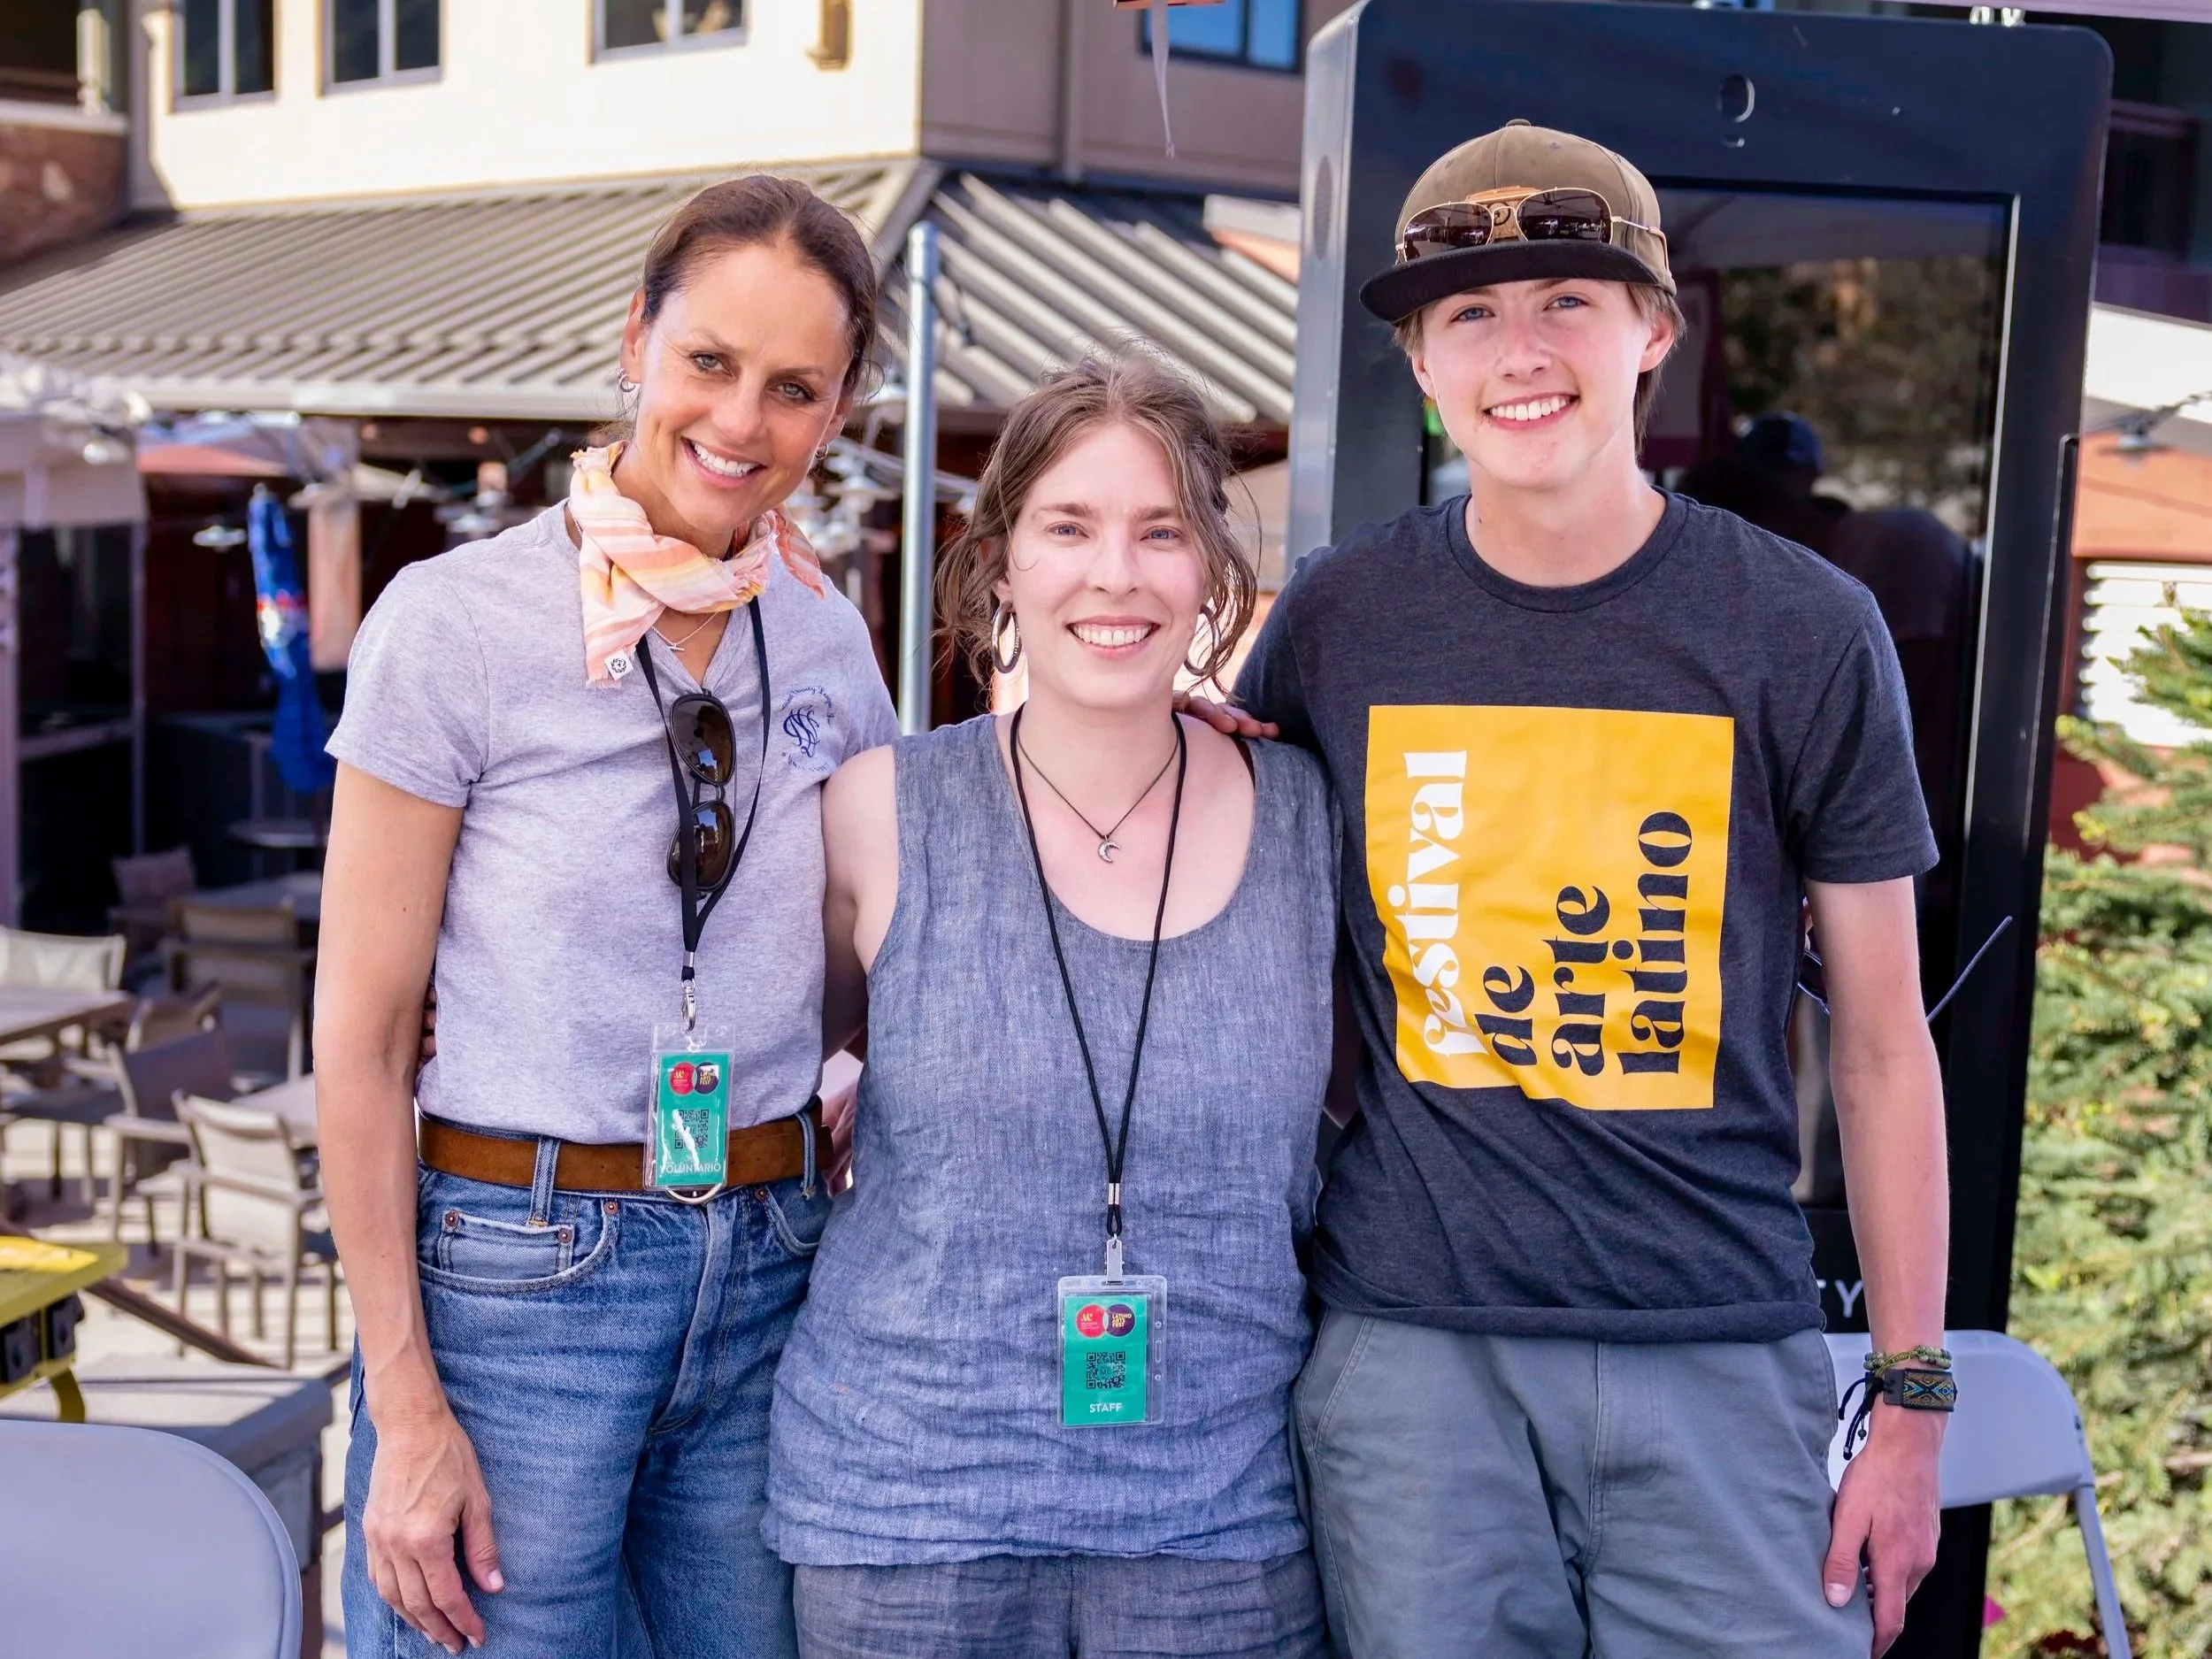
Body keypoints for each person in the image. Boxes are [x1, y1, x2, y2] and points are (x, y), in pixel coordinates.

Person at [1231, 121, 1954, 1656]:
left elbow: (1886, 1040)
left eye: (1569, 296)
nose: (1522, 349)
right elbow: (1190, 862)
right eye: (1471, 314)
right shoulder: (1339, 619)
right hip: (1416, 1362)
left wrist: (1912, 1405)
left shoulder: (1805, 629)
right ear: (1422, 366)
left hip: (1719, 1344)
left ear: (1654, 331)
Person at [316, 175, 896, 1658]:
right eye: (710, 362)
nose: (742, 421)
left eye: (795, 388)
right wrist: (402, 1400)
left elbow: (872, 953)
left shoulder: (829, 640)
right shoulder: (453, 626)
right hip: (520, 1281)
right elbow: (364, 1042)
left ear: (835, 413)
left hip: (773, 1264)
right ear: (636, 338)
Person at [764, 357, 1338, 1659]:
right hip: (907, 1517)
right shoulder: (877, 808)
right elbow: (768, 1059)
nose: (1115, 575)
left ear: (1210, 571)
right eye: (1068, 528)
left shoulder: (1310, 815)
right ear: (1001, 564)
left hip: (1222, 1523)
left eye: (1159, 531)